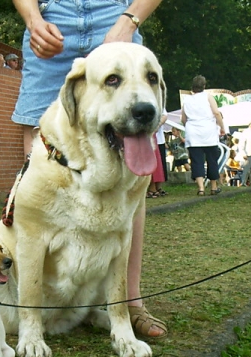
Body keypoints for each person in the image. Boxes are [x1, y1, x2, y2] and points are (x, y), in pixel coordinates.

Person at [11, 0, 166, 339]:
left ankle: (128, 301)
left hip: (116, 14)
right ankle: (38, 307)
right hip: (50, 21)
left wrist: (130, 20)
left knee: (129, 191)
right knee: (40, 187)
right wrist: (32, 18)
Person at [181, 75, 225, 196]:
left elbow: (183, 118)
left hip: (193, 133)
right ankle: (213, 187)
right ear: (204, 86)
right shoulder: (208, 97)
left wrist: (189, 126)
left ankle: (201, 188)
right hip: (208, 132)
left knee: (196, 161)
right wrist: (222, 127)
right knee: (212, 160)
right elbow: (216, 112)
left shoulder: (187, 100)